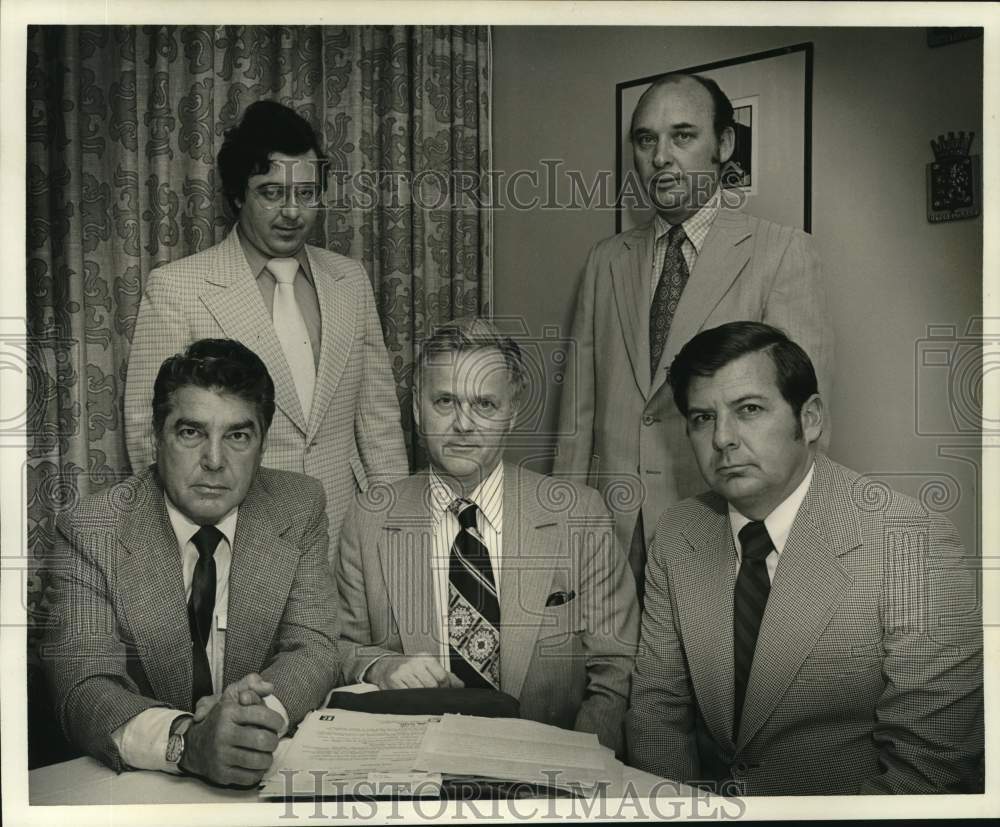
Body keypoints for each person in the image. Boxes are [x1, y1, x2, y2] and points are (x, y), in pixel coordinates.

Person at [627, 322, 983, 795]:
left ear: (809, 418)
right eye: (701, 418)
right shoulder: (677, 533)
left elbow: (932, 765)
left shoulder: (908, 540)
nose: (722, 439)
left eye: (748, 410)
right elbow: (657, 714)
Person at [554, 74, 834, 603]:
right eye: (646, 139)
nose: (661, 156)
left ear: (722, 145)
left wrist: (786, 551)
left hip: (725, 531)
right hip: (609, 538)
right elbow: (577, 417)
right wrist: (563, 530)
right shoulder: (605, 261)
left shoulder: (780, 253)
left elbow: (803, 429)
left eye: (682, 136)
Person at [44, 340, 341, 786]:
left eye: (238, 436)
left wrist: (251, 724)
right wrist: (189, 741)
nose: (215, 461)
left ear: (261, 445)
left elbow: (313, 646)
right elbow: (84, 687)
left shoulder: (299, 506)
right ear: (156, 437)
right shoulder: (92, 529)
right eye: (191, 433)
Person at [337, 319, 639, 756]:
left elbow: (616, 668)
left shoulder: (579, 514)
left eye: (484, 404)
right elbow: (338, 647)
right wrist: (380, 666)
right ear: (418, 410)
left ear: (512, 412)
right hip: (414, 772)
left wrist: (577, 766)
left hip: (550, 775)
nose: (463, 424)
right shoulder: (370, 516)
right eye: (445, 401)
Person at [123, 100, 408, 559]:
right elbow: (148, 433)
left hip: (347, 532)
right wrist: (198, 538)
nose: (292, 212)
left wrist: (395, 532)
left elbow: (379, 421)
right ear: (238, 194)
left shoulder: (349, 279)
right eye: (272, 193)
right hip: (233, 536)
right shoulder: (178, 288)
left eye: (307, 193)